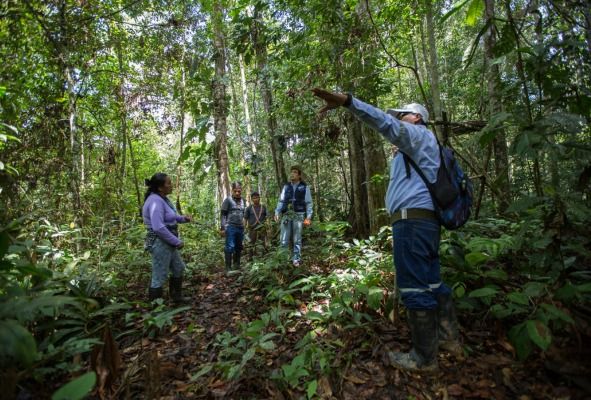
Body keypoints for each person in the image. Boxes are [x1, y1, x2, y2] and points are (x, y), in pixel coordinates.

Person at [312, 88, 461, 372]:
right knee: (431, 282)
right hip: (425, 223)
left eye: (402, 115)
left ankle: (424, 359)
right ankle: (448, 339)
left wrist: (348, 102)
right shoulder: (422, 145)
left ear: (416, 118)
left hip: (413, 224)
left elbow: (384, 123)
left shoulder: (418, 135)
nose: (398, 119)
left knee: (414, 287)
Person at [142, 173, 192, 304]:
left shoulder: (162, 199)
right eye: (169, 183)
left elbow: (170, 217)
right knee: (159, 276)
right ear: (160, 187)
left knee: (178, 268)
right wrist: (177, 242)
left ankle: (176, 297)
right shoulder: (155, 201)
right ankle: (156, 310)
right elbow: (158, 227)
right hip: (160, 242)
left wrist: (183, 219)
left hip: (167, 242)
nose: (171, 185)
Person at [274, 166, 313, 267]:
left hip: (299, 215)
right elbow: (281, 200)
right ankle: (283, 260)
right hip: (286, 214)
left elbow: (308, 203)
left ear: (299, 175)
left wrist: (308, 217)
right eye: (291, 172)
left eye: (295, 172)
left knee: (297, 239)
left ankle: (296, 259)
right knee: (283, 238)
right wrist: (277, 212)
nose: (292, 174)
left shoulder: (305, 187)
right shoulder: (286, 186)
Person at [220, 182, 246, 271]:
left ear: (241, 190)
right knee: (230, 246)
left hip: (240, 227)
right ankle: (228, 267)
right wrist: (223, 228)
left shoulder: (243, 201)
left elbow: (244, 214)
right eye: (235, 191)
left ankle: (237, 265)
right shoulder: (228, 200)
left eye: (239, 191)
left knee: (239, 246)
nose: (237, 193)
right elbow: (223, 214)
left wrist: (245, 226)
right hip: (230, 226)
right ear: (232, 191)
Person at [244, 191, 269, 258]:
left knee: (263, 242)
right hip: (252, 228)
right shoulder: (248, 208)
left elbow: (268, 217)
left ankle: (263, 257)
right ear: (251, 199)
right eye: (254, 198)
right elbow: (245, 218)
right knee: (251, 243)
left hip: (262, 228)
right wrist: (244, 228)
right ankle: (250, 257)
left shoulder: (263, 207)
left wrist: (269, 226)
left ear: (259, 198)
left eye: (257, 198)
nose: (255, 199)